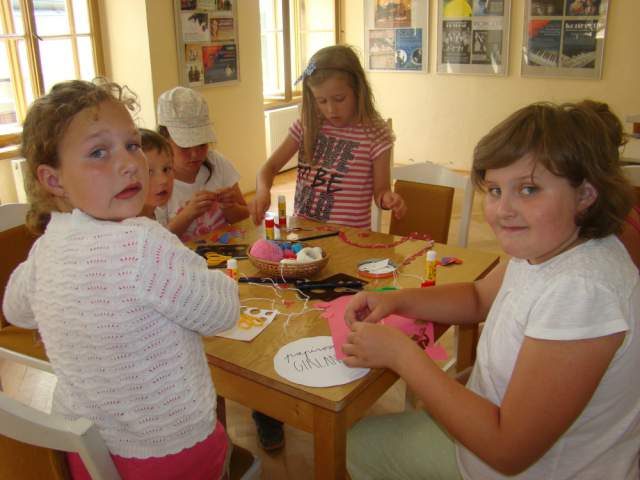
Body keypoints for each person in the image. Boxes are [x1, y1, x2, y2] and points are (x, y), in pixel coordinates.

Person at [343, 100, 640, 479]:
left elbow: (507, 450)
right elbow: (478, 297)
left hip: (525, 469)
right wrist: (396, 300)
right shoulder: (550, 246)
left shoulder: (582, 291)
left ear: (585, 195)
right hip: (497, 438)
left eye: (528, 189)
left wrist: (401, 355)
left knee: (350, 445)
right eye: (496, 190)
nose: (503, 210)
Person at [3, 79, 241, 480]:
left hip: (88, 457)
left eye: (132, 145)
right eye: (99, 152)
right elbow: (222, 312)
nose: (131, 163)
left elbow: (15, 310)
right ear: (54, 180)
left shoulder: (47, 248)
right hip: (174, 453)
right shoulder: (143, 243)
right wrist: (218, 279)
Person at [249, 44, 406, 229]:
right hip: (304, 232)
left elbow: (381, 191)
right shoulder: (307, 125)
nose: (331, 110)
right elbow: (269, 168)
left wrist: (387, 199)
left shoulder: (375, 134)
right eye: (321, 101)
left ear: (358, 89)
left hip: (349, 237)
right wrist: (262, 192)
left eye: (339, 99)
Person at [157, 86, 249, 241]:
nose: (195, 154)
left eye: (201, 145)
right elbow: (158, 242)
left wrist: (230, 207)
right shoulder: (157, 183)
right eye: (185, 146)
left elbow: (245, 216)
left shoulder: (217, 162)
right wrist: (187, 214)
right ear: (164, 141)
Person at [139, 127, 175, 225]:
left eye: (166, 169)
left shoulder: (158, 214)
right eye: (148, 172)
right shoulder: (124, 228)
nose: (163, 180)